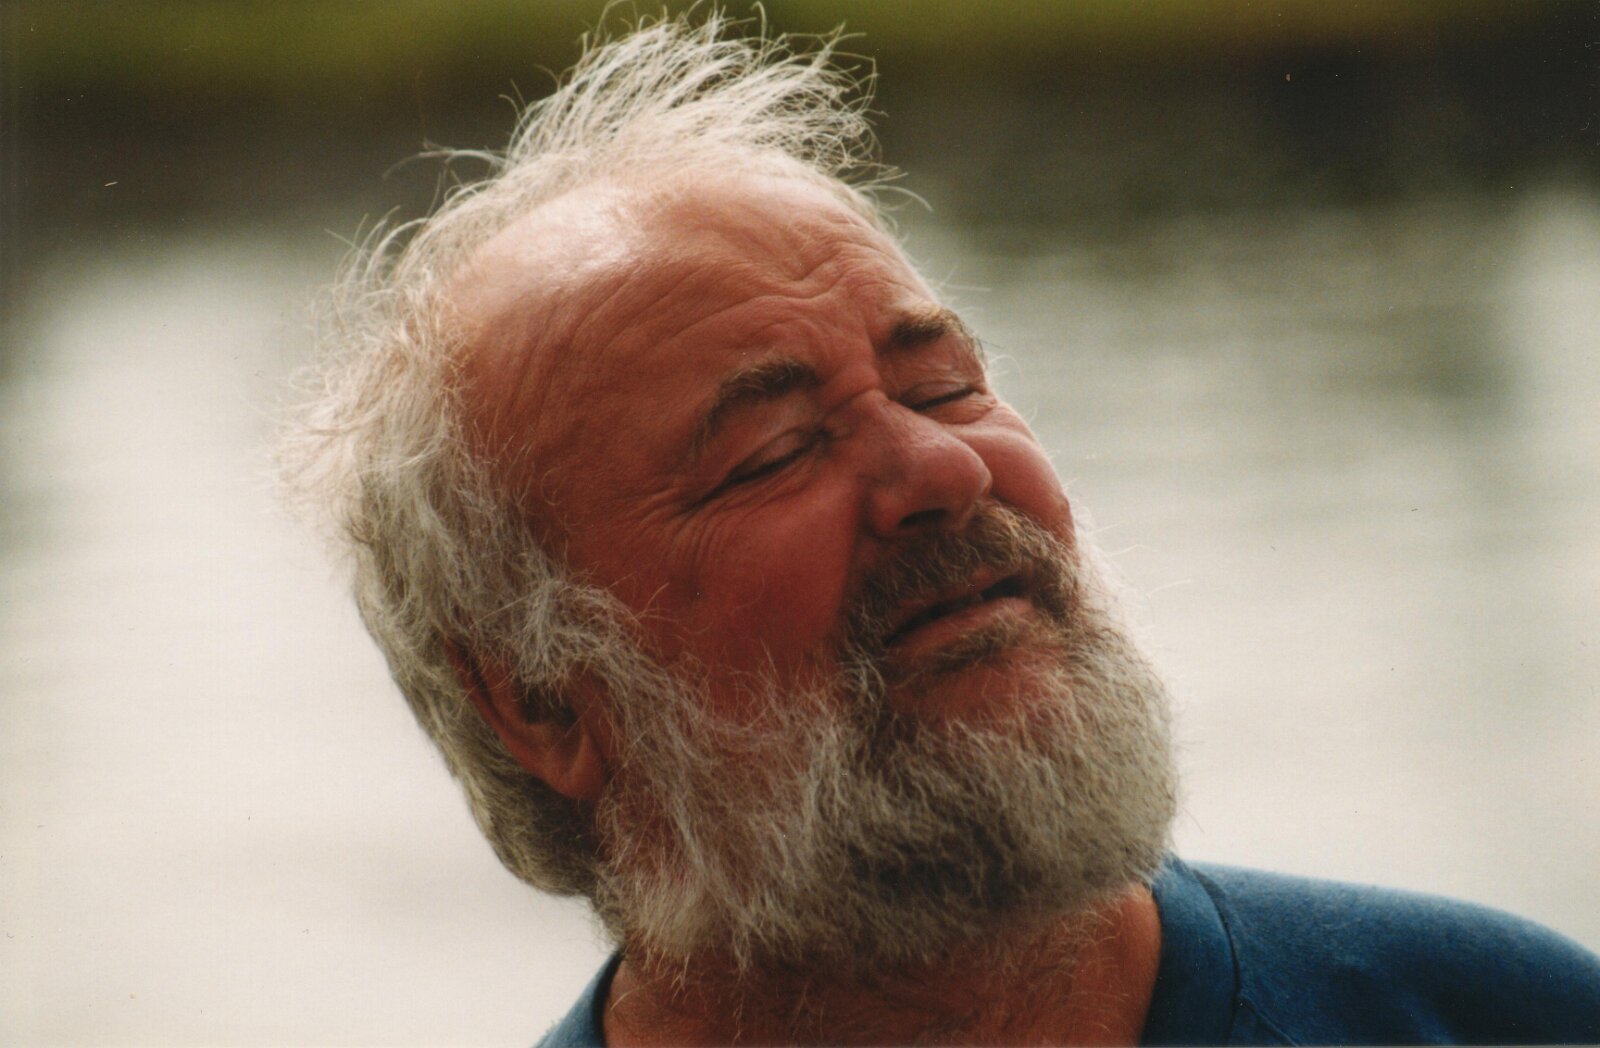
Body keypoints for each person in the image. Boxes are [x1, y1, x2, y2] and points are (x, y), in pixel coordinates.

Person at [281, 14, 1600, 1046]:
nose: (946, 470)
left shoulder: (1500, 1016)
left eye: (944, 384)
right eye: (773, 450)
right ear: (539, 704)